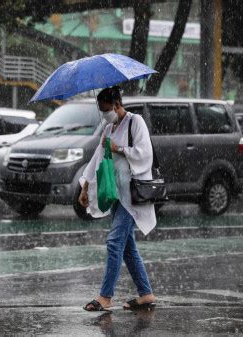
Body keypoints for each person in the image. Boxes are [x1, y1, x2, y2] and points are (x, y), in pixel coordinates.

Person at [79, 86, 156, 311]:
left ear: (117, 104)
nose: (104, 114)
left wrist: (120, 148)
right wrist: (84, 186)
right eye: (101, 111)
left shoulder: (136, 122)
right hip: (115, 194)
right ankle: (146, 293)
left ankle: (105, 296)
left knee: (114, 242)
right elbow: (97, 157)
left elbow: (145, 154)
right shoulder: (109, 128)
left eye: (106, 110)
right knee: (127, 247)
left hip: (132, 195)